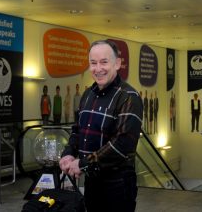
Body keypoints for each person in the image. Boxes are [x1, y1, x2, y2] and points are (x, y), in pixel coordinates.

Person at [59, 40, 143, 212]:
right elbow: (77, 130)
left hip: (118, 184)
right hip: (92, 180)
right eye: (93, 63)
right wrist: (68, 154)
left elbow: (122, 145)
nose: (98, 69)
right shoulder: (88, 94)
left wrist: (81, 164)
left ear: (117, 63)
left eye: (104, 62)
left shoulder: (129, 97)